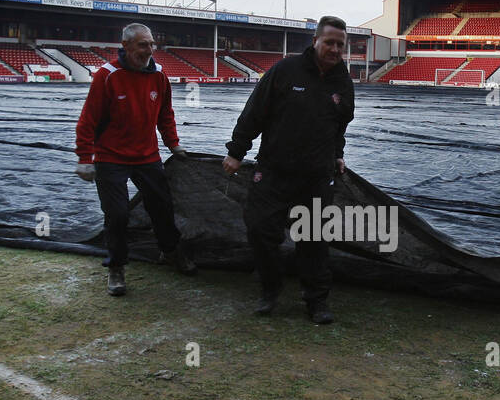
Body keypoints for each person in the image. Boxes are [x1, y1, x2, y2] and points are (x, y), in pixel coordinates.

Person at [222, 16, 354, 323]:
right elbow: (254, 112)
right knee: (260, 230)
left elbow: (339, 125)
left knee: (314, 240)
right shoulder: (285, 70)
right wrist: (237, 152)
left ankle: (316, 301)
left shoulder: (343, 82)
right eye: (329, 42)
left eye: (340, 44)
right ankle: (270, 289)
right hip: (273, 171)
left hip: (316, 177)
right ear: (315, 42)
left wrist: (337, 154)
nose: (335, 49)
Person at [75, 23, 196, 296]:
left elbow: (166, 114)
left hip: (147, 156)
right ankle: (116, 267)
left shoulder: (159, 75)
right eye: (143, 45)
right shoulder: (107, 76)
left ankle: (170, 252)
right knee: (117, 215)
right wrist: (85, 157)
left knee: (162, 208)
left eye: (152, 44)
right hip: (110, 158)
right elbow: (88, 121)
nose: (150, 50)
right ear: (126, 46)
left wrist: (173, 145)